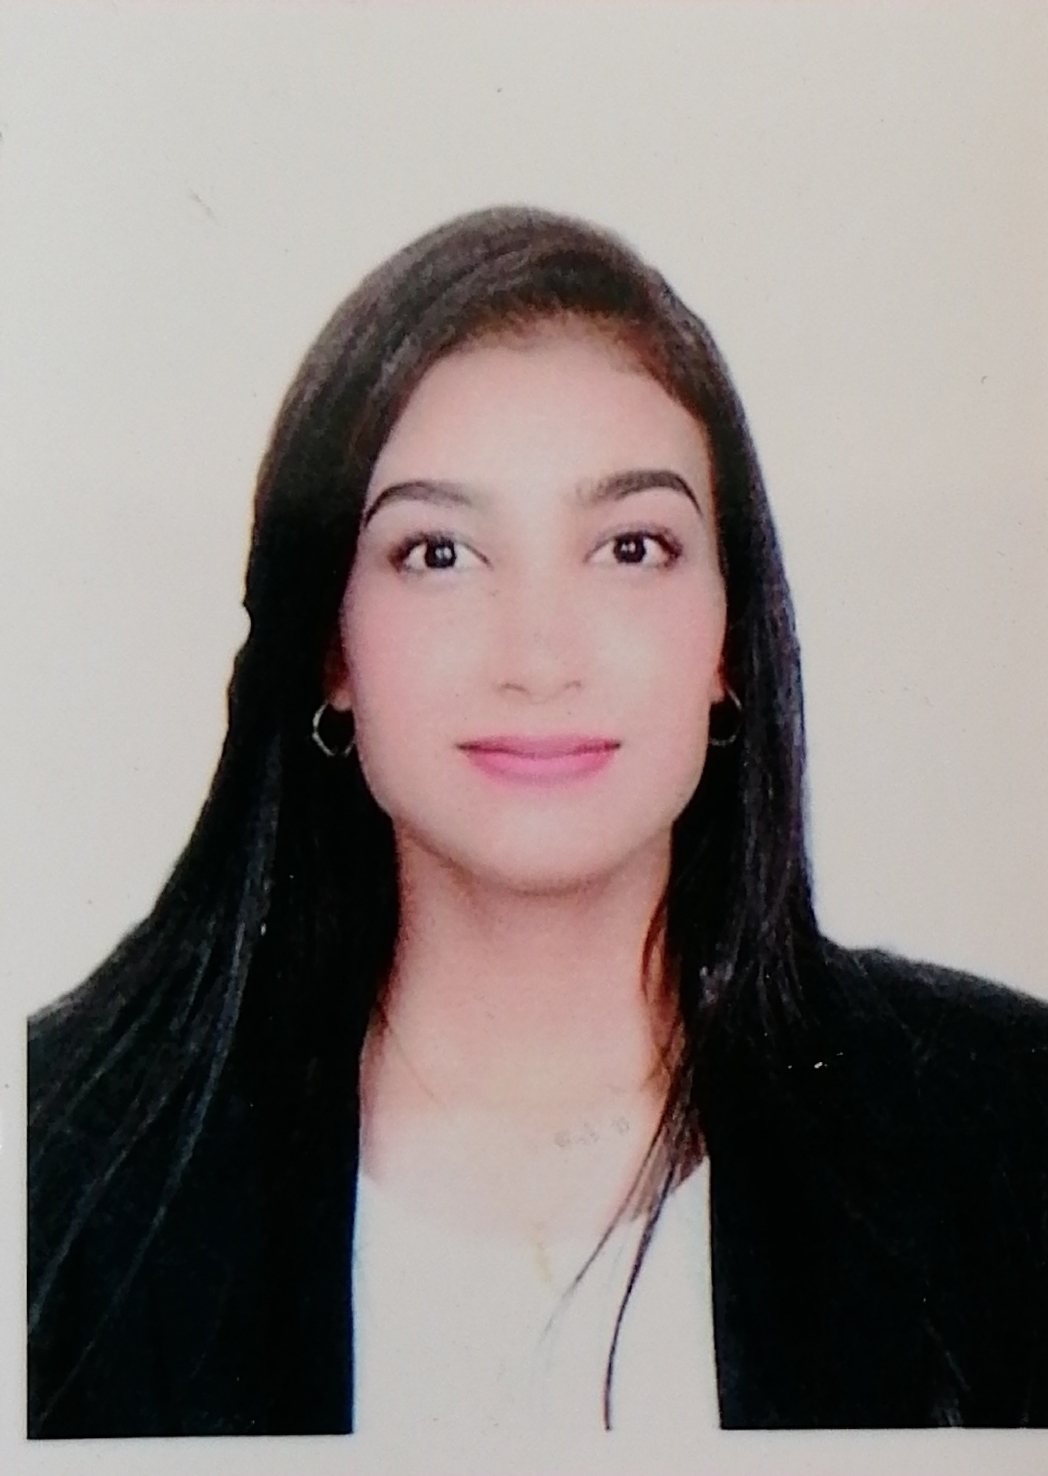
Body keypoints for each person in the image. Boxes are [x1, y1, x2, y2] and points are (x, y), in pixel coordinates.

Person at [27, 206, 1048, 1439]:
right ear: (329, 652)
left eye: (630, 546)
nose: (540, 654)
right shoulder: (59, 1174)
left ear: (730, 639)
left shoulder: (1006, 1133)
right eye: (438, 553)